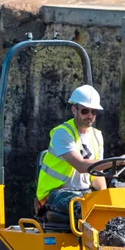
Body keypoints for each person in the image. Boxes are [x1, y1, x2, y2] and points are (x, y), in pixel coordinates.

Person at [36, 84, 110, 216]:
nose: (90, 116)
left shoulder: (97, 136)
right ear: (74, 110)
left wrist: (106, 199)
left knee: (116, 206)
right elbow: (81, 165)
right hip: (54, 194)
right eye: (85, 111)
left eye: (93, 112)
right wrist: (116, 162)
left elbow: (98, 175)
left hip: (83, 192)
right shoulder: (62, 133)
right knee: (81, 208)